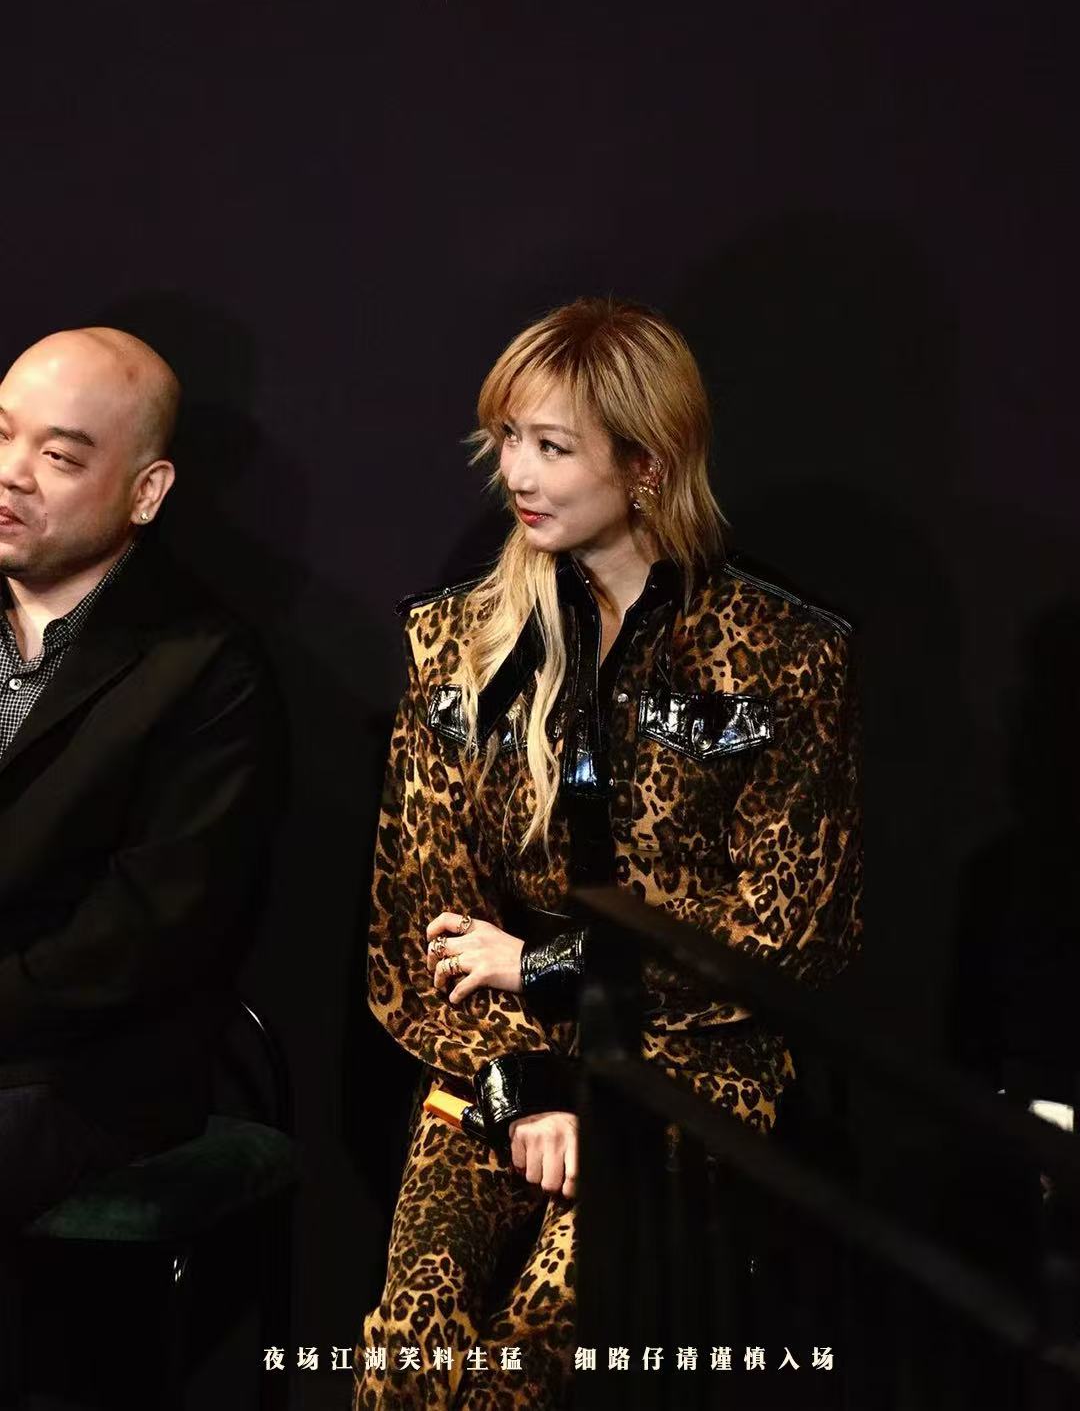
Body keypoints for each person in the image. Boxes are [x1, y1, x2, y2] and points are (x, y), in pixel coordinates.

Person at [356, 298, 861, 1410]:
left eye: (553, 446)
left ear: (646, 465)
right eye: (507, 439)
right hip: (494, 1062)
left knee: (537, 1356)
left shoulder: (780, 650)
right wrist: (527, 1083)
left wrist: (545, 966)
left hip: (692, 1067)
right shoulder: (455, 643)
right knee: (408, 1356)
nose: (516, 474)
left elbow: (793, 937)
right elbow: (418, 927)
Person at [0, 327, 286, 1400]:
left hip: (82, 1069)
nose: (10, 474)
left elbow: (142, 938)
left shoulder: (206, 669)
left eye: (58, 456)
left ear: (146, 492)